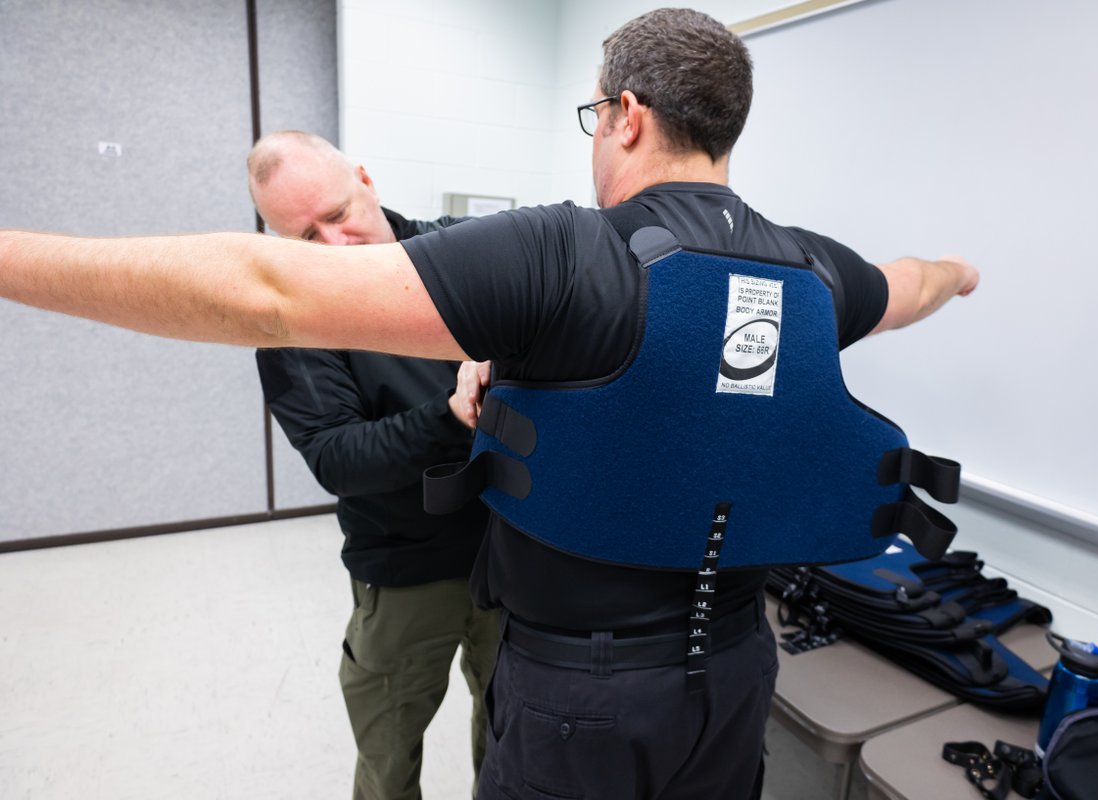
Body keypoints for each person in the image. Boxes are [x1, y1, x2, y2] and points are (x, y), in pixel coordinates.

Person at [0, 9, 978, 798]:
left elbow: (264, 288)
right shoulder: (814, 271)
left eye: (594, 116)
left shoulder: (557, 253)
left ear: (626, 115)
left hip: (578, 694)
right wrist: (961, 272)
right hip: (735, 677)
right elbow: (914, 281)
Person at [246, 131, 498, 800]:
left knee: (516, 744)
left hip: (515, 556)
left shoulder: (466, 255)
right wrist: (452, 417)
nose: (332, 247)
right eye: (303, 238)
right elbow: (339, 456)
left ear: (366, 179)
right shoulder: (292, 322)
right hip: (406, 572)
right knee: (388, 758)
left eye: (336, 216)